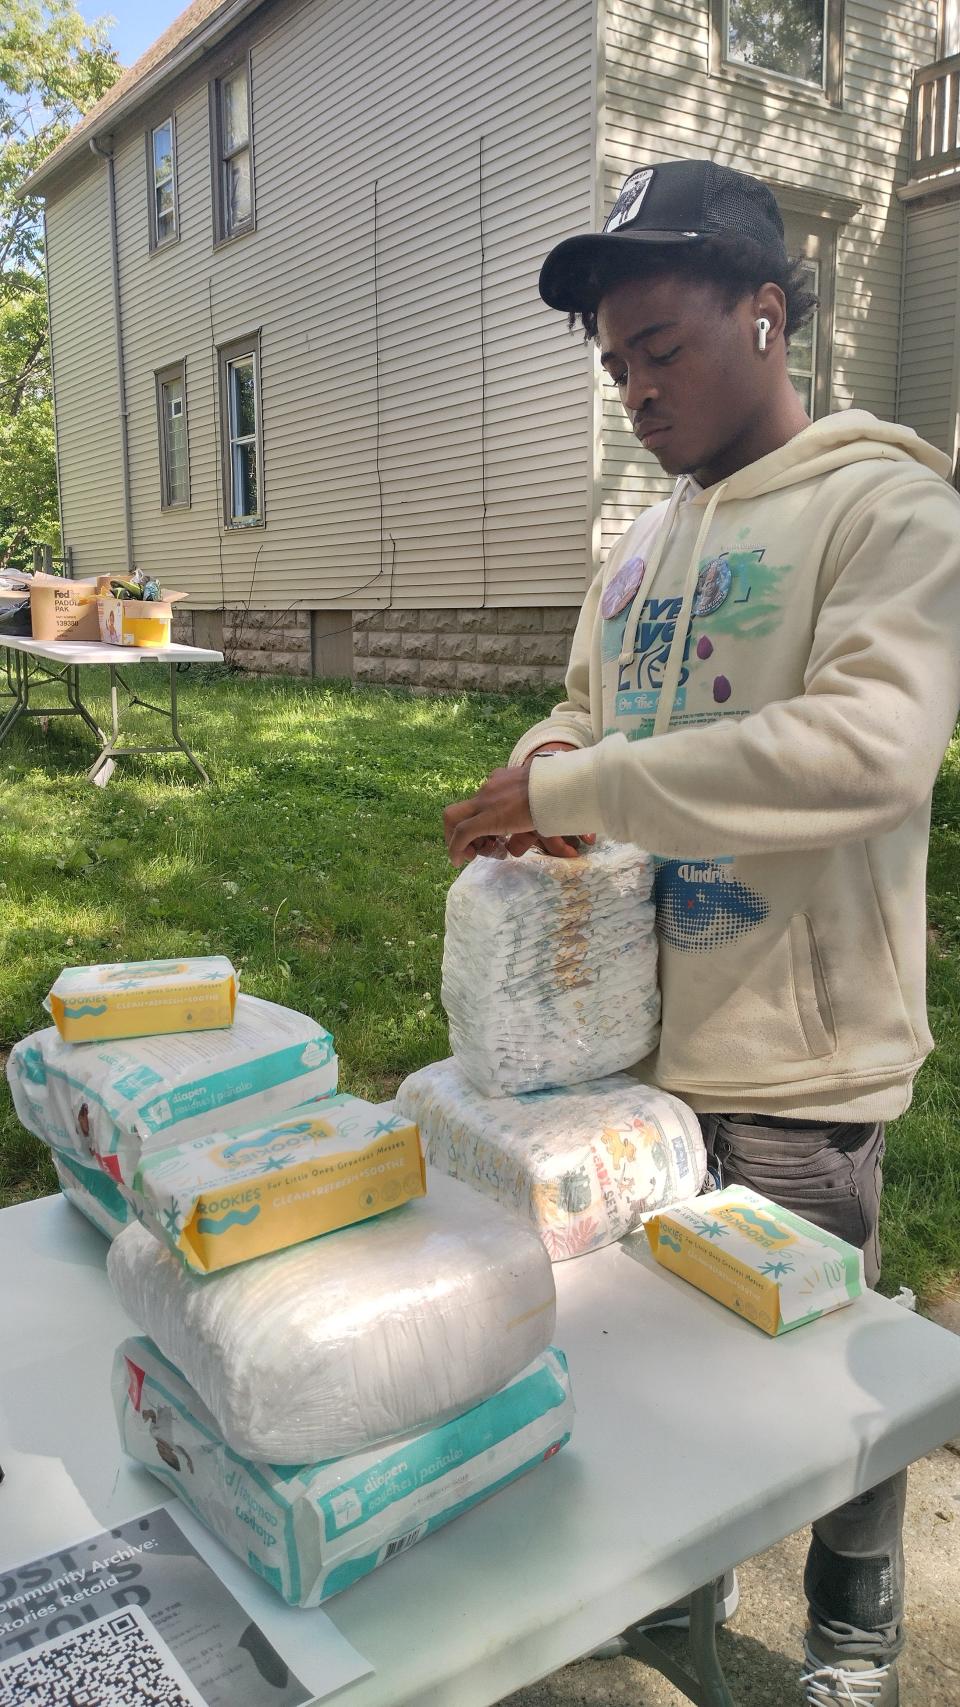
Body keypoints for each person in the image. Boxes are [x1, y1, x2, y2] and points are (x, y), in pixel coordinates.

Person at [442, 157, 960, 1706]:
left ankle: (850, 1641)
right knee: (667, 1362)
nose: (636, 391)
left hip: (800, 1064)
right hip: (638, 1061)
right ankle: (678, 1600)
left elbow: (871, 746)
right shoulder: (642, 547)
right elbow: (589, 715)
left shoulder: (889, 504)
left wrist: (589, 781)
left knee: (820, 1376)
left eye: (660, 349)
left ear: (767, 314)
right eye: (614, 367)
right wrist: (541, 770)